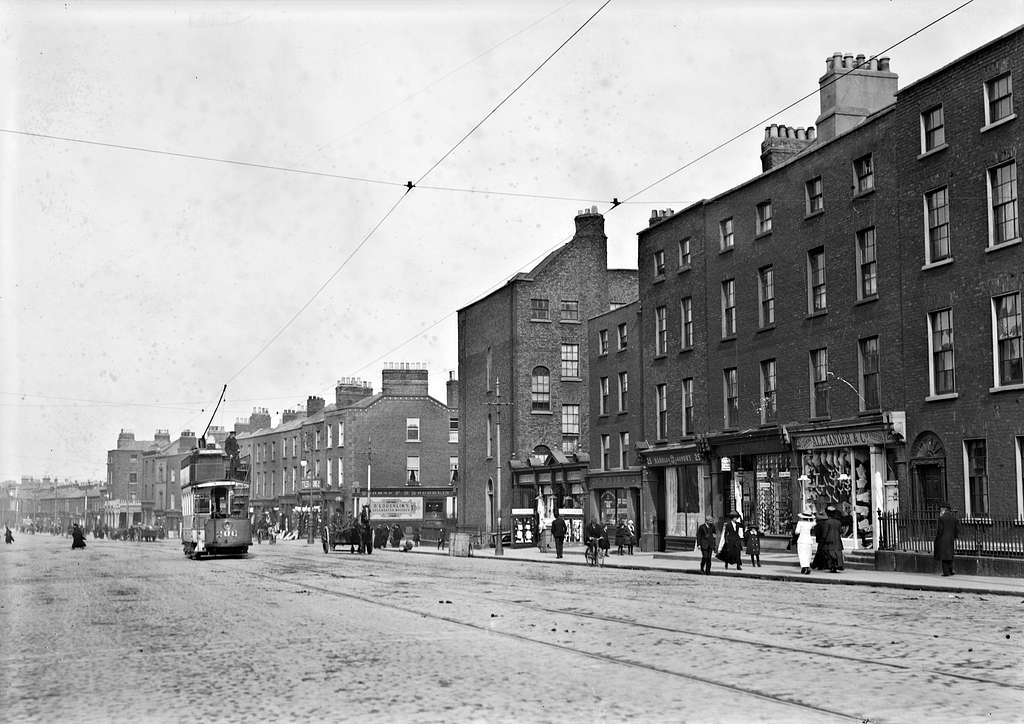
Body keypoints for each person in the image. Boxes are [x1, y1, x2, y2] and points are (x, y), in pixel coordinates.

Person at [934, 502, 960, 576]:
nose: (940, 511)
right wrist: (955, 537)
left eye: (941, 509)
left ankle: (946, 572)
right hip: (951, 539)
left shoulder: (941, 518)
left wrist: (937, 539)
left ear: (944, 509)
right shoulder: (954, 518)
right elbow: (957, 529)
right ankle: (951, 570)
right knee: (950, 555)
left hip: (942, 539)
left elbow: (940, 530)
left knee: (944, 556)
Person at [818, 506, 844, 573]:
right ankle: (838, 565)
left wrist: (822, 540)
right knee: (838, 553)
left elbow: (825, 533)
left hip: (829, 540)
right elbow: (841, 531)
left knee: (830, 554)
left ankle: (832, 566)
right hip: (837, 540)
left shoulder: (827, 522)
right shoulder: (838, 522)